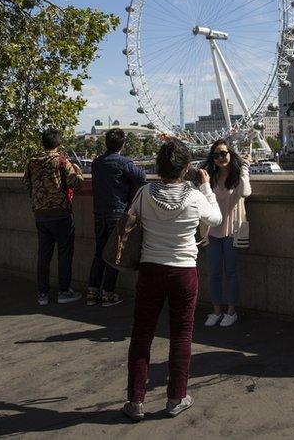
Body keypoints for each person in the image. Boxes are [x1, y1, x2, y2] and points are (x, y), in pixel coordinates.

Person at [123, 139, 222, 421]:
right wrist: (205, 187)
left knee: (142, 334)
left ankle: (135, 400)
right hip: (183, 271)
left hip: (150, 268)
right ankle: (176, 397)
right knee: (181, 335)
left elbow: (132, 219)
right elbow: (215, 219)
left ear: (158, 166)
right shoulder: (194, 197)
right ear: (188, 168)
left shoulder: (144, 193)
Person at [22, 127, 84, 305]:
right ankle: (64, 292)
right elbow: (75, 183)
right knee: (64, 253)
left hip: (40, 214)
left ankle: (42, 294)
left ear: (42, 143)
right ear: (59, 144)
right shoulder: (62, 161)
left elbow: (26, 184)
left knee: (44, 255)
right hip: (61, 214)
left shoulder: (32, 162)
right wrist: (78, 171)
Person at [87, 128, 146, 307]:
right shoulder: (123, 162)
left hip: (99, 213)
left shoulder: (96, 163)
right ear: (122, 144)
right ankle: (108, 293)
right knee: (114, 255)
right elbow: (142, 177)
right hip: (117, 214)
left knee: (99, 253)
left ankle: (92, 292)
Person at [200, 139, 251, 327]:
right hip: (211, 231)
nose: (220, 158)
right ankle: (215, 311)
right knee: (213, 272)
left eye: (223, 153)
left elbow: (246, 192)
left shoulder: (237, 176)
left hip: (231, 231)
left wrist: (245, 167)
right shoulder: (208, 178)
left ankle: (231, 311)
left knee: (231, 272)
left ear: (230, 154)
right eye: (216, 155)